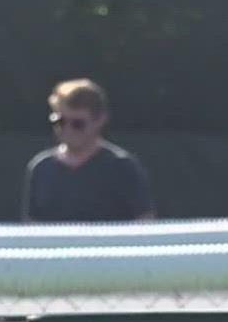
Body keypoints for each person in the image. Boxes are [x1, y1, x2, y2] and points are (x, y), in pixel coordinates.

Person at [21, 78, 155, 223]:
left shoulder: (123, 167)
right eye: (60, 122)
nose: (67, 129)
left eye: (77, 124)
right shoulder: (41, 167)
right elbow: (31, 225)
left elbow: (144, 223)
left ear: (100, 120)